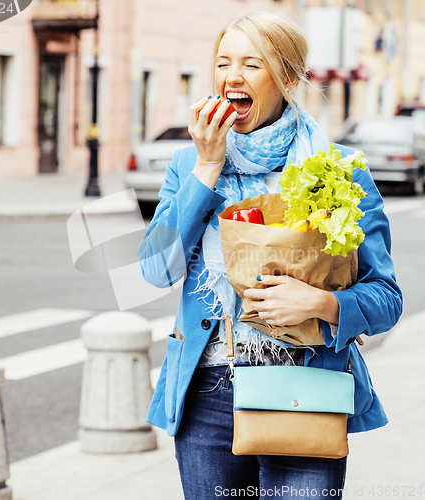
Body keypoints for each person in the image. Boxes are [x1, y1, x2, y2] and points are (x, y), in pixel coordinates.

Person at [138, 11, 402, 500]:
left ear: (287, 77)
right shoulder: (189, 163)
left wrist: (321, 304)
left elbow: (386, 298)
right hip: (208, 395)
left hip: (306, 388)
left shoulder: (339, 169)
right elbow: (156, 268)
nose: (232, 76)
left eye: (251, 64)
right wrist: (207, 167)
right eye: (223, 63)